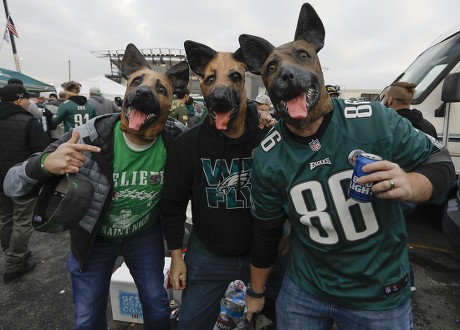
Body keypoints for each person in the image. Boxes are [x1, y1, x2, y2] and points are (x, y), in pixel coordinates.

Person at [237, 3, 456, 329]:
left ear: (319, 62)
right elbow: (267, 232)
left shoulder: (374, 120)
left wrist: (411, 183)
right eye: (271, 68)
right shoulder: (268, 156)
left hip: (377, 295)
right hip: (305, 291)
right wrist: (256, 291)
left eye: (302, 56)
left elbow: (440, 162)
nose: (285, 70)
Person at [3, 45, 190, 329]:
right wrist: (44, 164)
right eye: (137, 83)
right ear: (126, 91)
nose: (144, 91)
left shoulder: (177, 139)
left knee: (156, 303)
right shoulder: (88, 135)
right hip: (94, 238)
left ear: (171, 102)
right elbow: (11, 185)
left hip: (143, 235)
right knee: (87, 318)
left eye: (159, 89)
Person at [160, 41, 279, 330]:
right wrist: (176, 256)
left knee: (289, 317)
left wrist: (286, 232)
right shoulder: (188, 145)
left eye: (234, 77)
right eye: (210, 79)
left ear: (246, 80)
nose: (220, 88)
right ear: (200, 83)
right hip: (208, 253)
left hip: (265, 254)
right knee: (190, 323)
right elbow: (173, 204)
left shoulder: (271, 136)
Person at [0, 84, 49, 283]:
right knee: (22, 221)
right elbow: (42, 152)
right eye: (27, 99)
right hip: (21, 181)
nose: (30, 102)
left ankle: (10, 251)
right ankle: (14, 263)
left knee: (5, 218)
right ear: (20, 100)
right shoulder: (28, 121)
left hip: (0, 180)